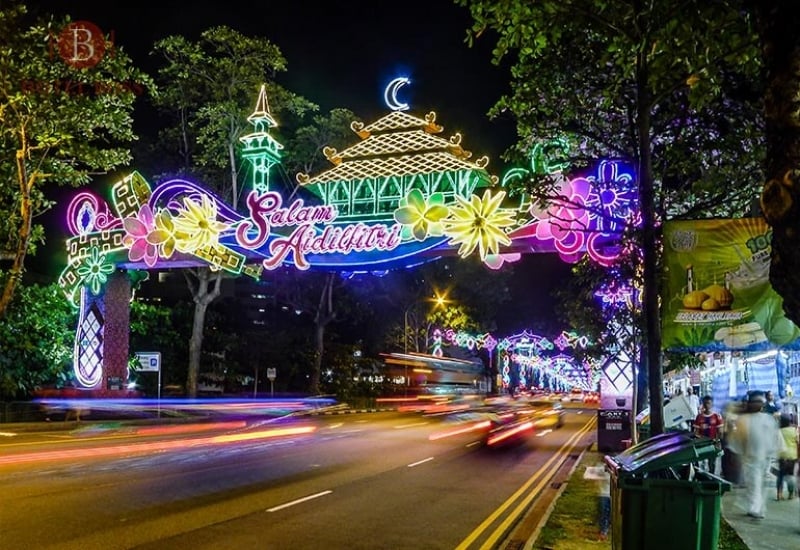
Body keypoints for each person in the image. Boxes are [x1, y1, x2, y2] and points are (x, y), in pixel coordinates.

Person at [729, 391, 781, 519]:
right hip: (750, 457)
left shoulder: (768, 419)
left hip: (766, 457)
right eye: (755, 402)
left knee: (761, 483)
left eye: (760, 402)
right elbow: (737, 439)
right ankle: (755, 508)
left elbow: (775, 436)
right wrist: (737, 454)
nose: (758, 404)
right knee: (754, 482)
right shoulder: (743, 420)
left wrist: (776, 452)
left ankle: (759, 507)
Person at [693, 395, 724, 474]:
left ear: (712, 404)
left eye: (709, 403)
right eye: (705, 403)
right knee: (702, 463)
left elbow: (720, 431)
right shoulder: (699, 417)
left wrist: (717, 441)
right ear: (703, 404)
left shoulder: (717, 416)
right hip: (702, 444)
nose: (707, 405)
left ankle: (711, 477)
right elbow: (696, 431)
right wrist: (698, 440)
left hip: (713, 444)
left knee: (712, 463)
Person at [776, 414, 798, 500]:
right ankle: (791, 493)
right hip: (792, 456)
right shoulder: (794, 430)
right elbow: (798, 442)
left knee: (780, 475)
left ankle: (779, 494)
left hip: (782, 455)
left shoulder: (779, 431)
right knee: (791, 475)